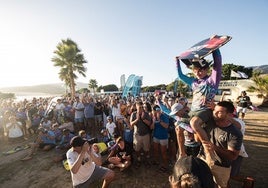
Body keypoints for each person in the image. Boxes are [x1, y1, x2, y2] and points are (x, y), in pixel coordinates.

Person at [176, 48, 222, 163]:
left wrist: (215, 49)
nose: (198, 72)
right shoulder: (193, 82)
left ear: (207, 69)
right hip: (193, 110)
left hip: (205, 110)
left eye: (201, 70)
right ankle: (182, 153)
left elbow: (218, 64)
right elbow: (181, 76)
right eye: (196, 70)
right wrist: (177, 62)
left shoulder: (212, 80)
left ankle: (208, 150)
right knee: (177, 126)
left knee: (194, 123)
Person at [202, 101, 243, 188]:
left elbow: (233, 156)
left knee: (223, 185)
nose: (215, 113)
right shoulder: (211, 123)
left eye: (219, 112)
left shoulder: (234, 133)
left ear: (229, 115)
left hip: (221, 166)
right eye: (214, 110)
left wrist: (215, 148)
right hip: (206, 161)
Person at [130, 100, 152, 168]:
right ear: (136, 107)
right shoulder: (133, 114)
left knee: (146, 149)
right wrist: (137, 119)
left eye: (142, 107)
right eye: (139, 107)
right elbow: (131, 124)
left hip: (146, 135)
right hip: (137, 135)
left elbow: (149, 124)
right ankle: (139, 160)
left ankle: (146, 160)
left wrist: (143, 119)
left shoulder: (146, 114)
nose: (141, 109)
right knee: (137, 149)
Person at [151, 105, 169, 172]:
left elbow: (166, 126)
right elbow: (152, 128)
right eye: (155, 111)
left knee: (163, 152)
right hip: (156, 136)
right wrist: (153, 121)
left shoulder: (164, 116)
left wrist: (159, 120)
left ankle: (165, 165)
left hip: (163, 137)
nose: (156, 112)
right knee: (155, 150)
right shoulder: (154, 117)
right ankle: (156, 161)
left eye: (157, 110)